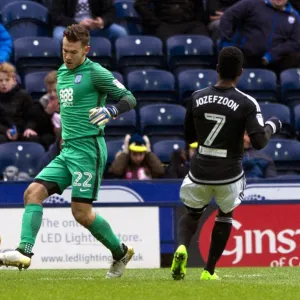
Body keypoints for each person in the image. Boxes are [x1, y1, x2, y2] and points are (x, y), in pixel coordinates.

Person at [0, 24, 137, 279]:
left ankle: (120, 252)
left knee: (81, 213)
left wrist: (109, 111)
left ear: (86, 49)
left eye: (73, 51)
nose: (68, 56)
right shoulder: (62, 72)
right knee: (32, 192)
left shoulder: (96, 73)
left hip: (89, 149)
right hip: (67, 148)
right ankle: (24, 252)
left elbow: (129, 98)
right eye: (64, 50)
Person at [170, 46, 282, 281]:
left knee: (192, 213)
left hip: (199, 169)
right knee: (224, 216)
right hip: (229, 173)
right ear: (240, 72)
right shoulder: (247, 102)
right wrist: (273, 125)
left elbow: (189, 138)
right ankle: (209, 271)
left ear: (217, 68)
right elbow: (259, 142)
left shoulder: (197, 97)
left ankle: (181, 247)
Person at [219, 0, 300, 73]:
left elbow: (295, 41)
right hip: (244, 56)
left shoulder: (294, 16)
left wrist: (273, 54)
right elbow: (227, 17)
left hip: (273, 60)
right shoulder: (252, 3)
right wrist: (228, 43)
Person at [50, 0, 128, 42]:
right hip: (70, 27)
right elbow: (55, 15)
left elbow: (110, 11)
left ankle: (114, 65)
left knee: (120, 33)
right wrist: (77, 24)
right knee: (59, 37)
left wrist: (102, 21)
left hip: (94, 27)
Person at [0, 63, 38, 144]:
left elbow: (33, 116)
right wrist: (5, 130)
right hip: (3, 131)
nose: (3, 83)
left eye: (7, 80)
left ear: (14, 80)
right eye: (0, 80)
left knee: (31, 137)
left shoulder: (23, 95)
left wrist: (29, 128)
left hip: (23, 130)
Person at [134, 0, 208, 41]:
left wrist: (198, 21)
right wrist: (156, 23)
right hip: (165, 24)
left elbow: (199, 7)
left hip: (191, 23)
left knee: (204, 40)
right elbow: (139, 5)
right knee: (170, 43)